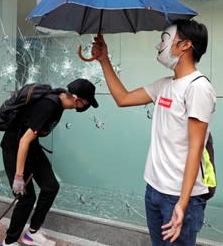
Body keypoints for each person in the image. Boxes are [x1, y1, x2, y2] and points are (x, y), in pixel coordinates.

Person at [89, 19, 216, 245]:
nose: (159, 46)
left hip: (179, 196)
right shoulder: (164, 84)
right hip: (154, 189)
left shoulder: (198, 87)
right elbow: (123, 98)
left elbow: (196, 148)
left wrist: (182, 204)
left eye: (165, 39)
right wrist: (103, 59)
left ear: (185, 45)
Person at [1, 79, 98, 246]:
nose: (85, 106)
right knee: (26, 198)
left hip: (33, 148)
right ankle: (9, 242)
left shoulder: (59, 104)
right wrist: (19, 176)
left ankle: (32, 233)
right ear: (77, 100)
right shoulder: (49, 105)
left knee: (51, 187)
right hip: (15, 148)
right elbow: (24, 140)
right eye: (86, 103)